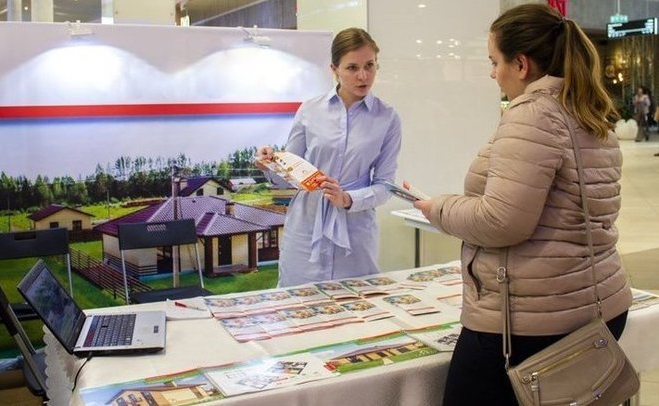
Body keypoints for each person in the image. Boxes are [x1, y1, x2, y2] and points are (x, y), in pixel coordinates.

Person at [413, 4, 633, 405]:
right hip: (593, 302)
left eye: (494, 62)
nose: (492, 73)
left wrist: (438, 208)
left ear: (521, 64)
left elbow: (502, 222)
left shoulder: (533, 114)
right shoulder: (587, 110)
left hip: (531, 322)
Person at [255, 27, 402, 287]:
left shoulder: (387, 118)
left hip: (355, 231)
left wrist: (348, 199)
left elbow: (385, 185)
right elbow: (289, 176)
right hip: (306, 227)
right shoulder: (310, 110)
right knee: (298, 302)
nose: (363, 76)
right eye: (352, 67)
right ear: (334, 69)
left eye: (369, 65)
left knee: (356, 303)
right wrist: (270, 164)